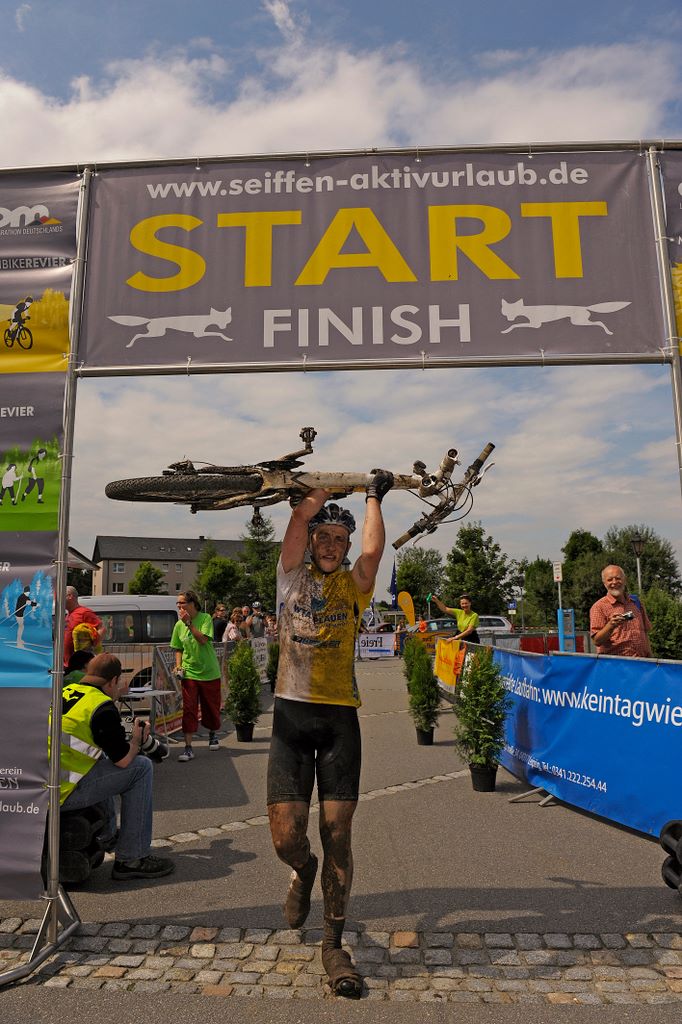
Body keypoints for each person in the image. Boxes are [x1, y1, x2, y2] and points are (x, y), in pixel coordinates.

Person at [267, 469, 393, 1000]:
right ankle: (303, 871)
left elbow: (373, 553)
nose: (331, 546)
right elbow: (299, 516)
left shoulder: (354, 586)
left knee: (338, 831)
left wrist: (372, 495)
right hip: (291, 719)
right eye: (324, 536)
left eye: (340, 540)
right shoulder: (289, 576)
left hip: (340, 719)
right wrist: (325, 488)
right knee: (286, 839)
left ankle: (334, 945)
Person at [56, 653, 175, 881]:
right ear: (113, 681)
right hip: (63, 793)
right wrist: (137, 741)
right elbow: (123, 760)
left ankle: (109, 836)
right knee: (141, 768)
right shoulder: (101, 706)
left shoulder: (65, 692)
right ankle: (132, 858)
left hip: (43, 788)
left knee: (100, 758)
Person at [171, 590, 222, 760]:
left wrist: (189, 624)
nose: (179, 606)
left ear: (192, 603)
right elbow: (178, 648)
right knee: (189, 709)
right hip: (189, 673)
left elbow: (203, 640)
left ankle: (213, 734)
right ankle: (188, 747)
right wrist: (178, 666)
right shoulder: (178, 625)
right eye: (177, 603)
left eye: (182, 603)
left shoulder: (205, 618)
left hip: (209, 672)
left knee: (211, 707)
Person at [590, 565, 652, 658]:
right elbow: (596, 641)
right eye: (610, 580)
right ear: (604, 583)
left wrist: (651, 658)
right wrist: (610, 626)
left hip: (642, 662)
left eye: (618, 578)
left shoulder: (636, 602)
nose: (614, 582)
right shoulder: (599, 607)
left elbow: (645, 633)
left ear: (624, 580)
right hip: (616, 664)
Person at [64, 586, 103, 668]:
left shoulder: (84, 612)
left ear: (70, 596)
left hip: (78, 663)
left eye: (61, 596)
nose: (58, 600)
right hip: (68, 662)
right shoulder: (69, 614)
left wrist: (91, 646)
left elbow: (102, 629)